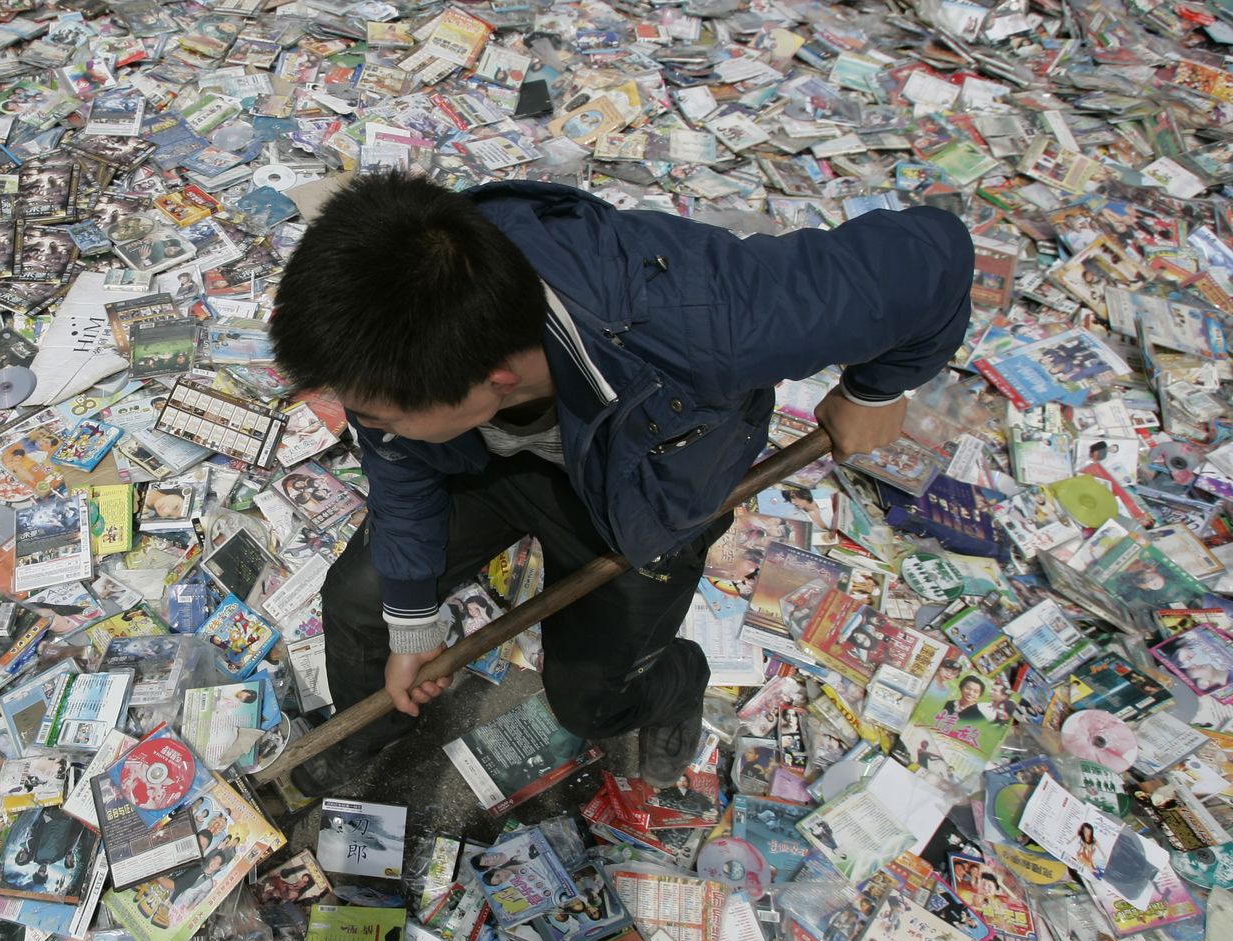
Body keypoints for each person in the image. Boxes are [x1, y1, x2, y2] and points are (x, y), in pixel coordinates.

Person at [268, 173, 972, 793]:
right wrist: (415, 627)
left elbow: (933, 253)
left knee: (588, 704)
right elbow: (400, 461)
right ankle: (369, 729)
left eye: (376, 414)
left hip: (644, 491)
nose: (359, 423)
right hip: (484, 459)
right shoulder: (399, 344)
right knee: (365, 599)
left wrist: (876, 392)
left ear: (495, 380)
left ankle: (676, 681)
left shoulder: (711, 318)